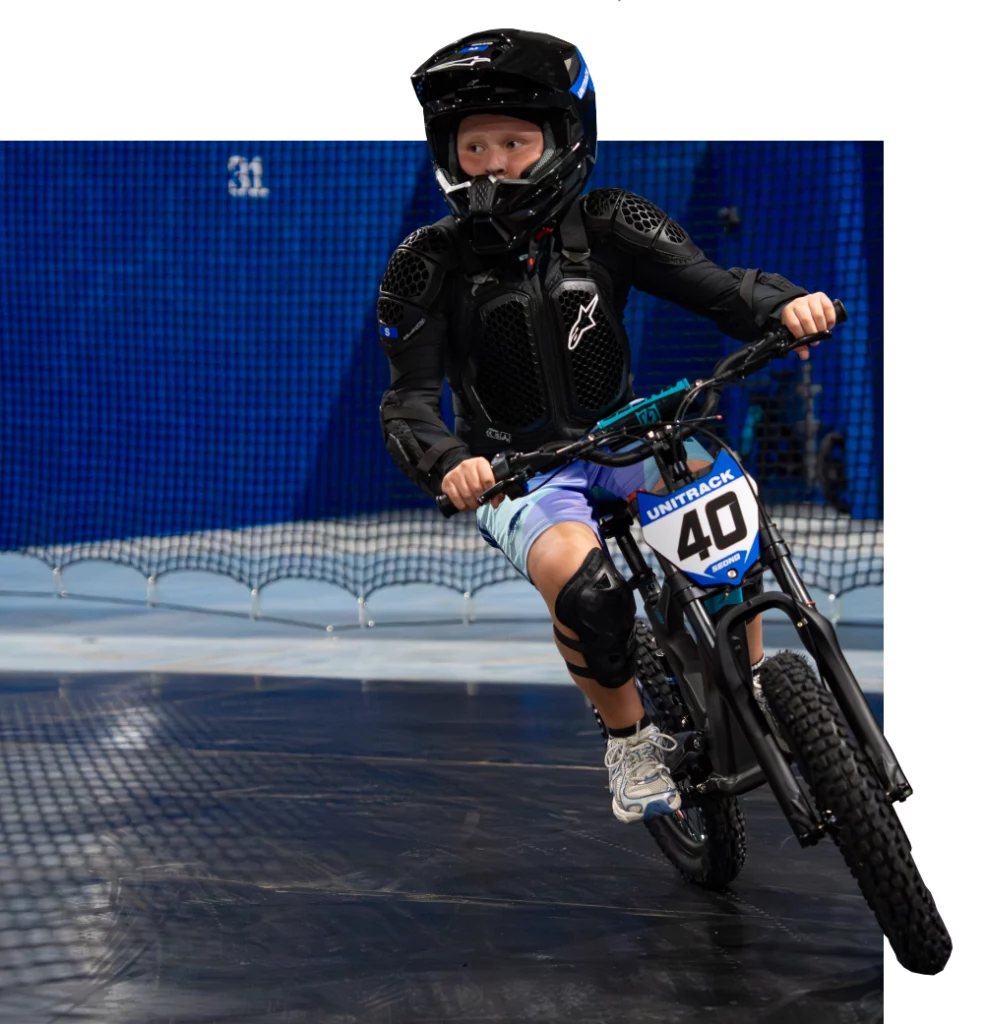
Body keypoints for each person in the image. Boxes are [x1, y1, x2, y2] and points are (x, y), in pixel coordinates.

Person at [378, 29, 837, 824]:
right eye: (474, 146)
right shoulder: (427, 261)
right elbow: (408, 400)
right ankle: (629, 740)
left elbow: (719, 290)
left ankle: (756, 678)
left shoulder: (611, 220)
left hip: (624, 439)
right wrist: (450, 461)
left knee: (725, 504)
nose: (491, 164)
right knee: (585, 588)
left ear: (563, 138)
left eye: (514, 143)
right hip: (520, 471)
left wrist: (785, 305)